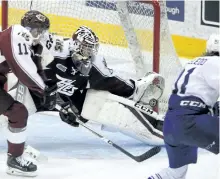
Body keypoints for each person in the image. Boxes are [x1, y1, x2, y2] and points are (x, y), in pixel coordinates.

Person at [34, 26, 165, 145]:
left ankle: (136, 90)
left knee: (99, 99)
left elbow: (111, 80)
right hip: (41, 91)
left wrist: (73, 112)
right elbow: (38, 43)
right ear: (75, 44)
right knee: (22, 104)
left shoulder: (94, 63)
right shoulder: (58, 49)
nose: (88, 53)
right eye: (85, 48)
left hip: (70, 95)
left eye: (91, 49)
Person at [148, 34, 220, 179]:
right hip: (192, 123)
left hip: (171, 124)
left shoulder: (193, 62)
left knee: (175, 173)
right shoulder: (216, 62)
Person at [0, 10, 57, 177]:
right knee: (18, 112)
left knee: (18, 112)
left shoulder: (32, 46)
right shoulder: (17, 34)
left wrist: (59, 101)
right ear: (26, 28)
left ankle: (14, 160)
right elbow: (23, 69)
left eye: (41, 31)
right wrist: (44, 90)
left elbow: (37, 72)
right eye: (35, 30)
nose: (38, 35)